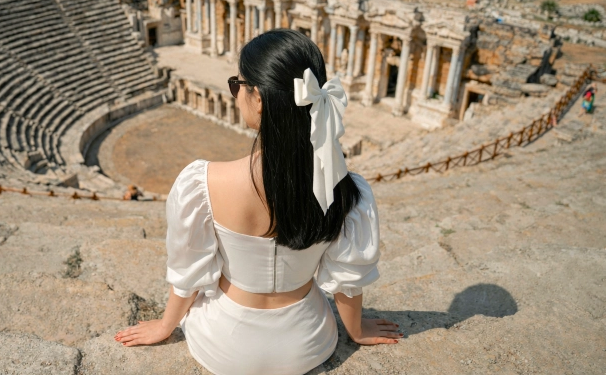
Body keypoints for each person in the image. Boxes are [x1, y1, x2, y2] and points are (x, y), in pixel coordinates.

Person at [115, 29, 400, 374]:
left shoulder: (204, 183)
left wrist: (165, 326)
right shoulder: (348, 190)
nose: (235, 94)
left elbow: (189, 274)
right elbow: (347, 276)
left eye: (238, 85)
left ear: (259, 97)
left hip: (225, 342)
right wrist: (357, 330)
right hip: (308, 341)